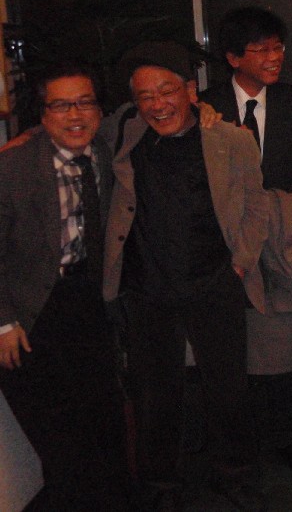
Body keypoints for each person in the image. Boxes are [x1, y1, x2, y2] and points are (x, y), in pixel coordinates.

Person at [103, 43, 269, 509]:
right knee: (154, 395)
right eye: (145, 96)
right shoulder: (124, 134)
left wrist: (241, 261)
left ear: (191, 91)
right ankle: (161, 486)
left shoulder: (231, 139)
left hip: (214, 280)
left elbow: (257, 205)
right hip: (147, 286)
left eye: (167, 91)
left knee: (228, 390)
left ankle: (234, 476)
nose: (157, 104)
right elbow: (69, 124)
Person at [0, 61, 130, 509]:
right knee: (58, 435)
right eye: (60, 106)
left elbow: (151, 109)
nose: (75, 115)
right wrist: (3, 323)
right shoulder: (12, 168)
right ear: (42, 115)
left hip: (91, 302)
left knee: (104, 421)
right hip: (31, 311)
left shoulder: (108, 154)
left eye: (84, 102)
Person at [199, 6, 292, 473]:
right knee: (236, 342)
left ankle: (290, 437)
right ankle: (239, 441)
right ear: (233, 57)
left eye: (278, 47)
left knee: (284, 336)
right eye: (262, 49)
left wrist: (282, 212)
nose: (274, 57)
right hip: (226, 242)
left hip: (281, 234)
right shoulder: (206, 107)